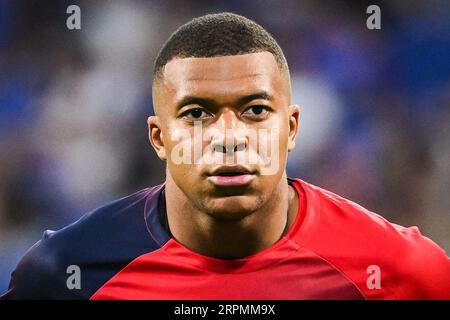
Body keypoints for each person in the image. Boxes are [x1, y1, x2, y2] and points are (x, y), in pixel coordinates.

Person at [2, 12, 449, 300]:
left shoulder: (401, 272)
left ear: (291, 128)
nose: (229, 138)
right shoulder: (64, 273)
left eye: (255, 111)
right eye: (197, 114)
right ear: (158, 138)